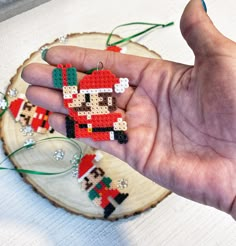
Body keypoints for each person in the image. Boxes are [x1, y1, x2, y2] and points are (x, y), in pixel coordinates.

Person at [21, 0, 236, 220]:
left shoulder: (105, 97)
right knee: (96, 120)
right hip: (92, 114)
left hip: (100, 116)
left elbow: (109, 91)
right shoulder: (89, 99)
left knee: (106, 122)